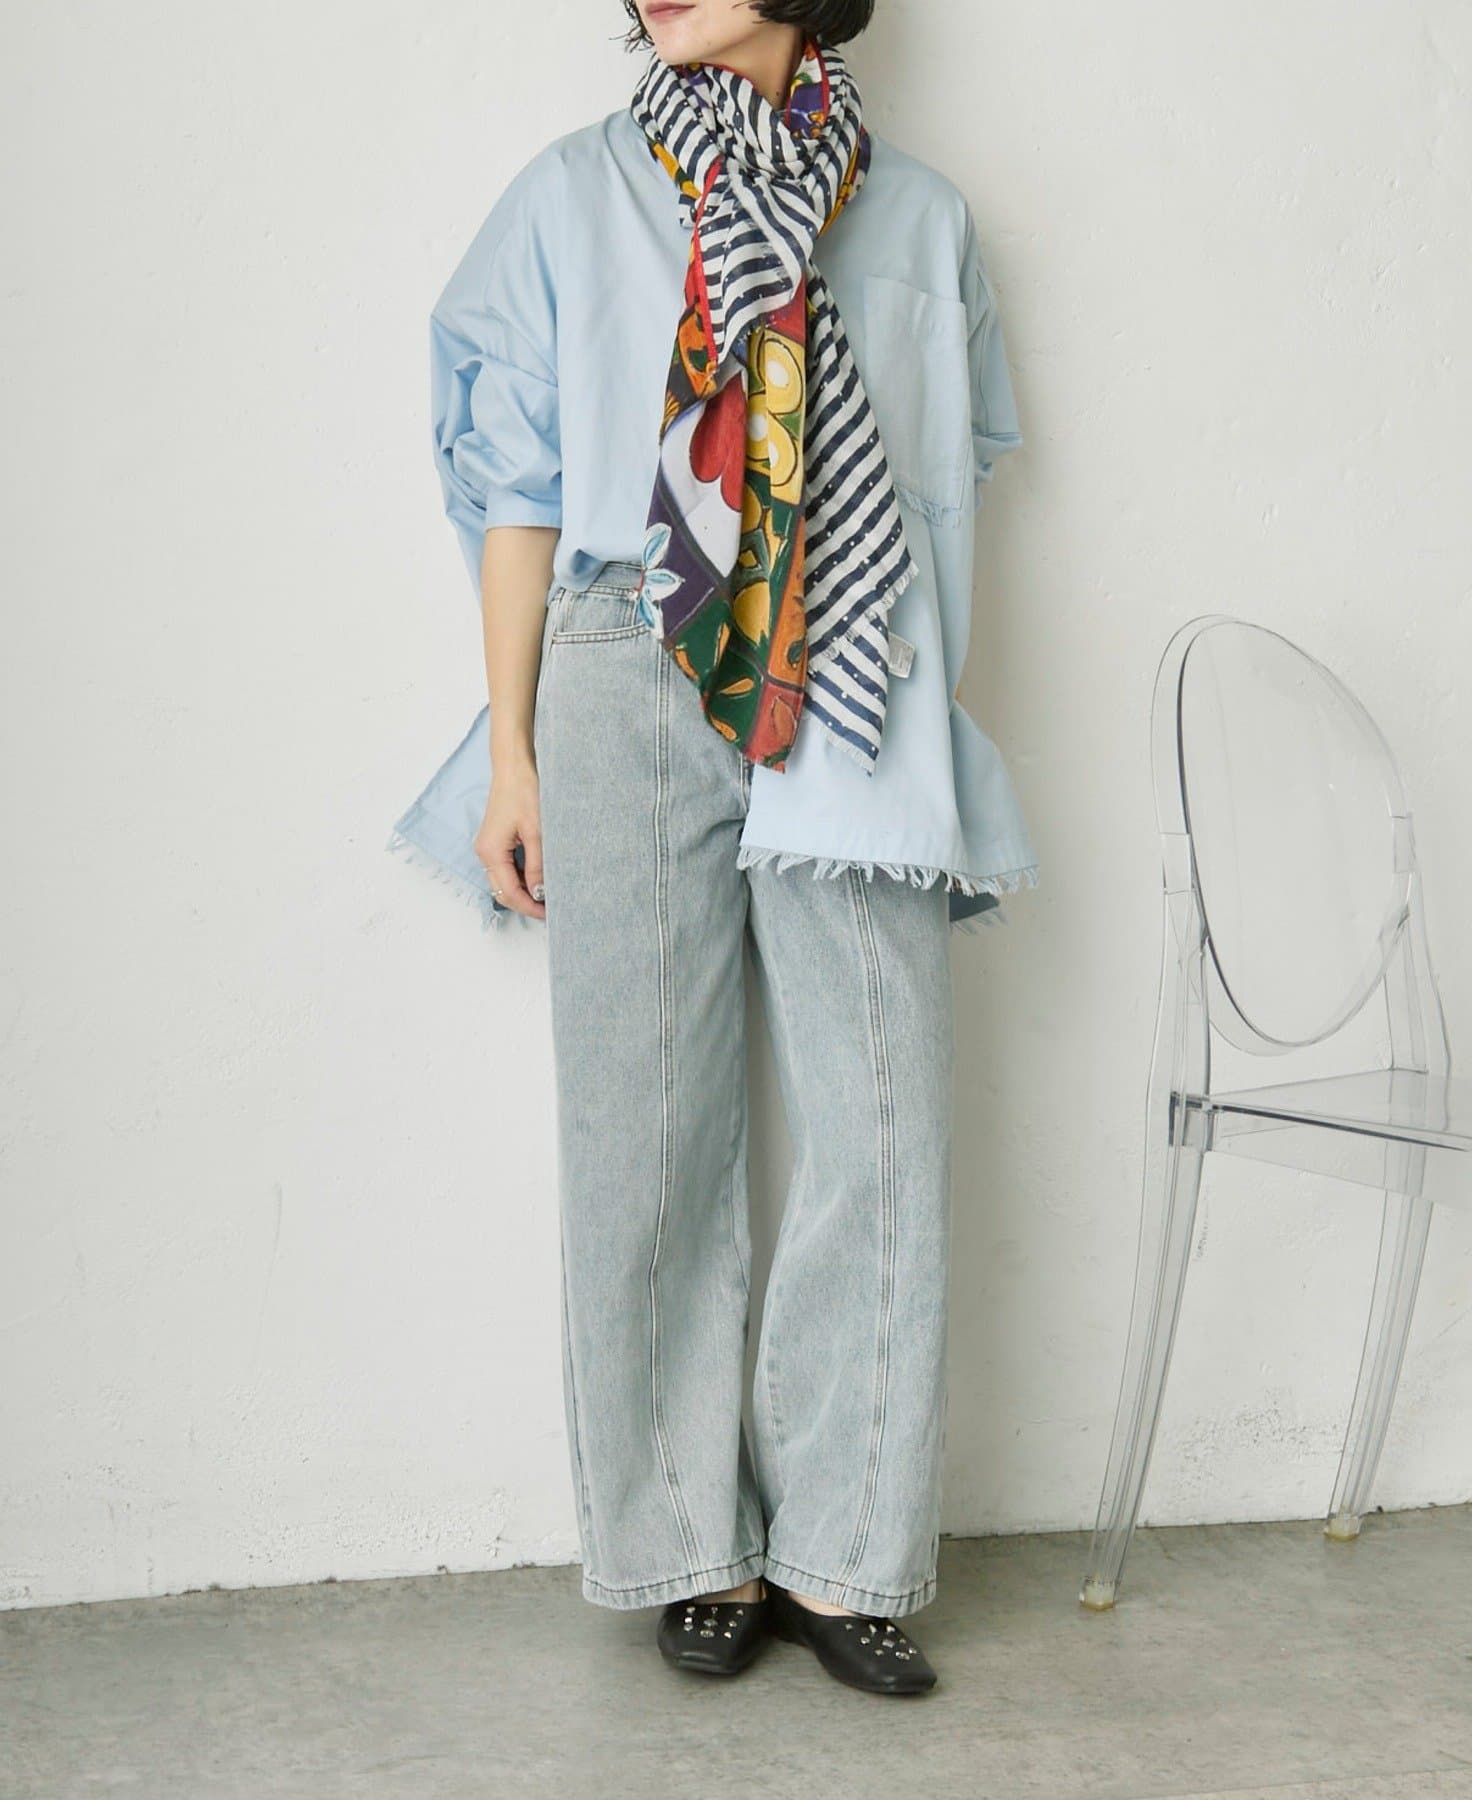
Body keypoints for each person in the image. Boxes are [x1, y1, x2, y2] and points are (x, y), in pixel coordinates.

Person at [389, 0, 1037, 1696]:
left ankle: (848, 1552)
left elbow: (953, 474)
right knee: (643, 1123)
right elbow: (516, 485)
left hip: (856, 661)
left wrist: (894, 674)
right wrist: (514, 750)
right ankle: (694, 1545)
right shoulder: (569, 194)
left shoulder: (918, 217)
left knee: (882, 1112)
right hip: (625, 653)